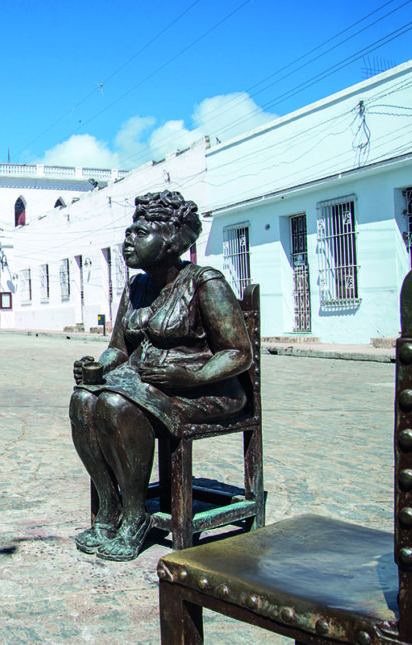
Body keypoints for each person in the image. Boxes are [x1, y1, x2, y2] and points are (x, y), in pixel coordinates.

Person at [69, 190, 253, 562]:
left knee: (117, 405)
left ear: (169, 241)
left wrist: (194, 376)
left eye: (140, 233)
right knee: (84, 399)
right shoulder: (136, 288)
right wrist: (98, 366)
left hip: (204, 390)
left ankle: (136, 517)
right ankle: (111, 508)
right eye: (128, 233)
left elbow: (238, 352)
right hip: (147, 384)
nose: (128, 241)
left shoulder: (205, 282)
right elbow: (118, 349)